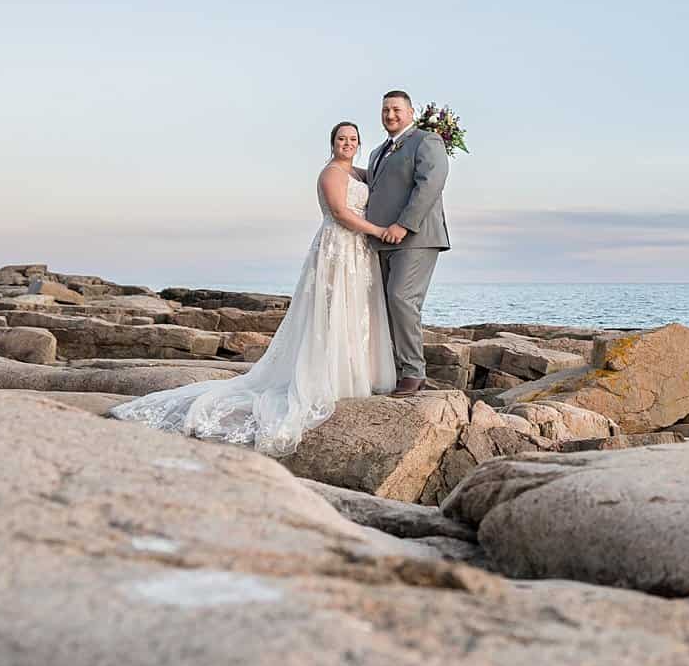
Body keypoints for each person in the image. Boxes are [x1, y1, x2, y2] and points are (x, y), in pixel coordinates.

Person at [105, 121, 397, 456]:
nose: (347, 143)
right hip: (338, 248)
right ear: (332, 143)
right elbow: (339, 212)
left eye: (353, 139)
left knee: (353, 311)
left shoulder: (360, 173)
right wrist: (377, 229)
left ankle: (350, 374)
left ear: (359, 145)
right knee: (330, 312)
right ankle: (327, 377)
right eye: (342, 138)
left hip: (357, 253)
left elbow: (388, 177)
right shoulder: (331, 173)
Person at [362, 90, 452, 395]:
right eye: (385, 110)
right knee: (387, 304)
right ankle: (397, 370)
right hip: (381, 239)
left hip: (417, 235)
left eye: (397, 109)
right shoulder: (376, 152)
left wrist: (404, 224)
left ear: (411, 112)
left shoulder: (426, 141)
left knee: (402, 298)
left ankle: (414, 372)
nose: (390, 115)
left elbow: (431, 183)